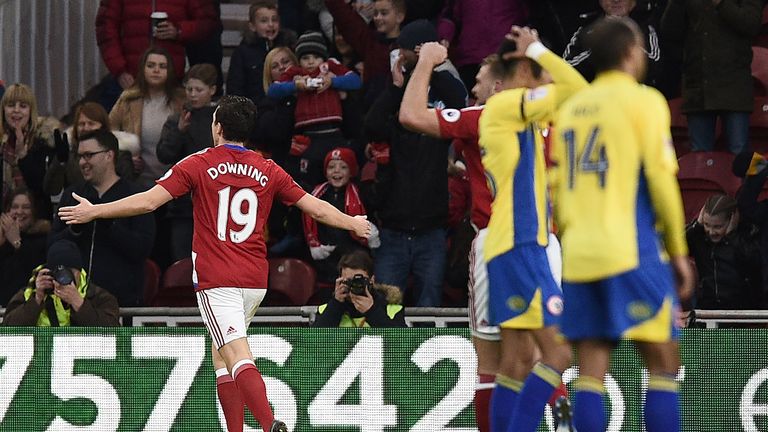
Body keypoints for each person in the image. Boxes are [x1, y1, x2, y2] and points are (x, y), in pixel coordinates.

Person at [58, 95, 371, 432]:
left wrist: (94, 211)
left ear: (217, 127)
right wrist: (352, 222)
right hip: (254, 280)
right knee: (220, 354)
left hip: (218, 278)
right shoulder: (267, 167)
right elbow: (314, 206)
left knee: (236, 353)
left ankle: (269, 425)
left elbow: (149, 202)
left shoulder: (199, 163)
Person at [398, 41, 571, 432]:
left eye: (478, 82)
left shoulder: (487, 115)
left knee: (494, 364)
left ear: (498, 88)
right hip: (548, 243)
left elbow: (410, 115)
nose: (473, 91)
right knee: (547, 353)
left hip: (500, 243)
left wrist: (425, 60)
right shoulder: (553, 119)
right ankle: (564, 424)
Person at [552, 17, 694, 432]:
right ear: (632, 54)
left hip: (579, 252)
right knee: (664, 361)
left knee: (591, 369)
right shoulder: (644, 100)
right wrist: (679, 251)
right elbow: (663, 181)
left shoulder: (572, 108)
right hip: (628, 248)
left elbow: (559, 190)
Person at [478, 26, 587, 432]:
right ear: (523, 70)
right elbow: (577, 91)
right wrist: (539, 50)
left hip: (510, 246)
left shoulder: (512, 116)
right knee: (559, 353)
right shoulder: (508, 105)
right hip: (523, 244)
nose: (545, 75)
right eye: (537, 69)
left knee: (513, 362)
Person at [363, 19, 467, 308]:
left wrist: (430, 66)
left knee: (429, 304)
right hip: (393, 230)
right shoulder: (394, 89)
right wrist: (396, 88)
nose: (400, 55)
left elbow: (460, 103)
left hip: (431, 231)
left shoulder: (442, 94)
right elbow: (370, 126)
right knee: (385, 304)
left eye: (405, 50)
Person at [50, 130, 155, 307]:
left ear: (109, 155)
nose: (83, 162)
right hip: (73, 303)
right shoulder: (73, 195)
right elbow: (52, 244)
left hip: (122, 305)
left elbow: (142, 249)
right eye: (80, 156)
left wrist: (108, 221)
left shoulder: (135, 196)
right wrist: (74, 230)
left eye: (89, 155)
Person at [661, 0, 763, 154]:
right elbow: (669, 31)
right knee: (699, 157)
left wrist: (721, 3)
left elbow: (751, 24)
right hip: (699, 85)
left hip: (734, 85)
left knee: (740, 153)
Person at [267, 31, 362, 191]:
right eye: (305, 58)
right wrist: (296, 86)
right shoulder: (296, 73)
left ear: (323, 57)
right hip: (308, 137)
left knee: (339, 178)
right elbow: (273, 90)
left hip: (333, 132)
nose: (311, 62)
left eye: (316, 57)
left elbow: (356, 81)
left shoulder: (330, 67)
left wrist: (332, 81)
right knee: (308, 181)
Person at [95, 0, 218, 109]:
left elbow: (207, 22)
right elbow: (106, 29)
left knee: (174, 129)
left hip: (171, 78)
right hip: (130, 76)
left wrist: (179, 30)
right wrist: (119, 70)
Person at [157, 63, 219, 262]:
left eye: (199, 90)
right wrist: (179, 131)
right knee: (182, 260)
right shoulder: (177, 119)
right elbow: (164, 154)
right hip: (183, 205)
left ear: (212, 90)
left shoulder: (222, 119)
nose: (193, 94)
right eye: (189, 89)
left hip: (214, 202)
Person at [109, 47, 185, 190]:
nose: (156, 70)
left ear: (170, 71)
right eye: (151, 66)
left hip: (175, 184)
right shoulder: (128, 100)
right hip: (137, 182)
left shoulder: (182, 101)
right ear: (142, 69)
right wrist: (125, 158)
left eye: (162, 66)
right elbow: (108, 133)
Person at [303, 148, 379, 283]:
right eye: (331, 167)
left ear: (352, 171)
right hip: (326, 261)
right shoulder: (316, 195)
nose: (336, 171)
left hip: (356, 259)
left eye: (343, 167)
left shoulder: (362, 193)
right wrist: (314, 245)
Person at [3, 239, 120, 327]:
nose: (64, 277)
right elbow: (7, 330)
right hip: (41, 356)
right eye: (59, 272)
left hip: (83, 356)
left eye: (70, 271)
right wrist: (37, 299)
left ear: (79, 272)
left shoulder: (97, 296)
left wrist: (78, 303)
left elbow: (113, 332)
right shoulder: (28, 294)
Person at [43, 102, 138, 204]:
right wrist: (60, 162)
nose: (86, 128)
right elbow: (52, 190)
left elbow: (127, 191)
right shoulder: (68, 156)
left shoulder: (120, 156)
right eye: (81, 124)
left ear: (103, 127)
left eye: (91, 123)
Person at [324, 0, 406, 109]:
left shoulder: (407, 47)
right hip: (370, 112)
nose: (378, 18)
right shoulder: (369, 42)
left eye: (384, 13)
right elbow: (344, 18)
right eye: (375, 13)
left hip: (399, 113)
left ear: (399, 17)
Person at [562, 0, 663, 88]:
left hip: (635, 96)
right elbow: (566, 67)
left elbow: (654, 62)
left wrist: (621, 41)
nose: (616, 0)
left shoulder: (646, 24)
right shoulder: (587, 28)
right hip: (594, 98)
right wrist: (600, 44)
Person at [686, 194, 763, 310]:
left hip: (742, 312)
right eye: (707, 225)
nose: (711, 232)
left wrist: (731, 238)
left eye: (718, 227)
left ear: (733, 220)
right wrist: (696, 226)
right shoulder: (699, 236)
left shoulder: (747, 236)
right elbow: (674, 247)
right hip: (707, 309)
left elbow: (754, 264)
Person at [0, 83, 63, 219]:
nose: (16, 110)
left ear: (31, 111)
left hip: (37, 221)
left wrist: (23, 157)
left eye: (23, 106)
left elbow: (43, 189)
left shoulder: (45, 143)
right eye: (11, 105)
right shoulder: (2, 143)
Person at [226, 0, 297, 104]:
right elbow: (235, 88)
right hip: (257, 110)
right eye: (264, 21)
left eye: (274, 20)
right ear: (252, 26)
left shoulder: (289, 46)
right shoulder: (242, 53)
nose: (271, 24)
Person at [313, 250, 405, 327]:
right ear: (340, 280)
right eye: (349, 281)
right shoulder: (326, 310)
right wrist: (336, 305)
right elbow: (313, 344)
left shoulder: (391, 310)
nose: (354, 285)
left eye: (359, 280)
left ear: (371, 280)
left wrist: (372, 312)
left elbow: (403, 344)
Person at [0, 188, 49, 305]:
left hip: (27, 306)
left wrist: (17, 242)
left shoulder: (43, 239)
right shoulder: (3, 239)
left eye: (26, 207)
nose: (20, 212)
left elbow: (34, 271)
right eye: (15, 207)